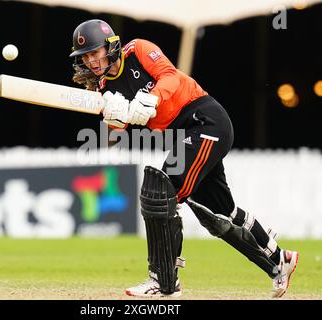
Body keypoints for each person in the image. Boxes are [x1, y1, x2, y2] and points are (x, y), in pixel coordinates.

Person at [69, 19, 299, 298]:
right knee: (220, 213)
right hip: (184, 135)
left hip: (205, 120)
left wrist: (150, 99)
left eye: (96, 52)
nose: (92, 61)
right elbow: (117, 130)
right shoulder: (105, 88)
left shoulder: (138, 50)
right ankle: (279, 261)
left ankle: (164, 282)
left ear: (111, 45)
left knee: (161, 192)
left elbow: (171, 76)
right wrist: (113, 115)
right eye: (86, 56)